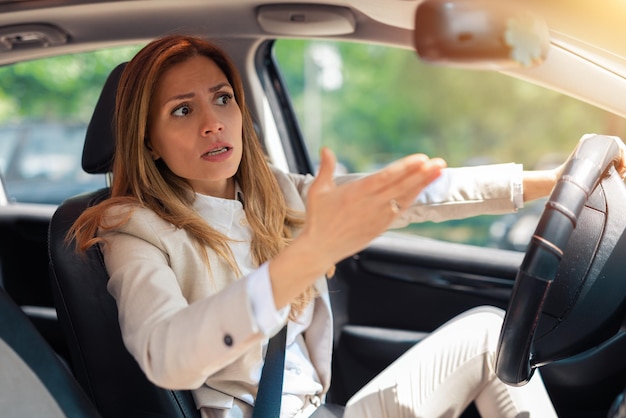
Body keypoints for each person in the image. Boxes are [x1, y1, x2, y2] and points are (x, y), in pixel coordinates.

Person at [68, 34, 626, 418]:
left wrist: (546, 181)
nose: (214, 122)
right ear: (147, 139)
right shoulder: (130, 230)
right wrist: (302, 262)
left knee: (486, 334)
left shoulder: (273, 192)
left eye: (222, 98)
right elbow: (168, 356)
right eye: (183, 111)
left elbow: (405, 196)